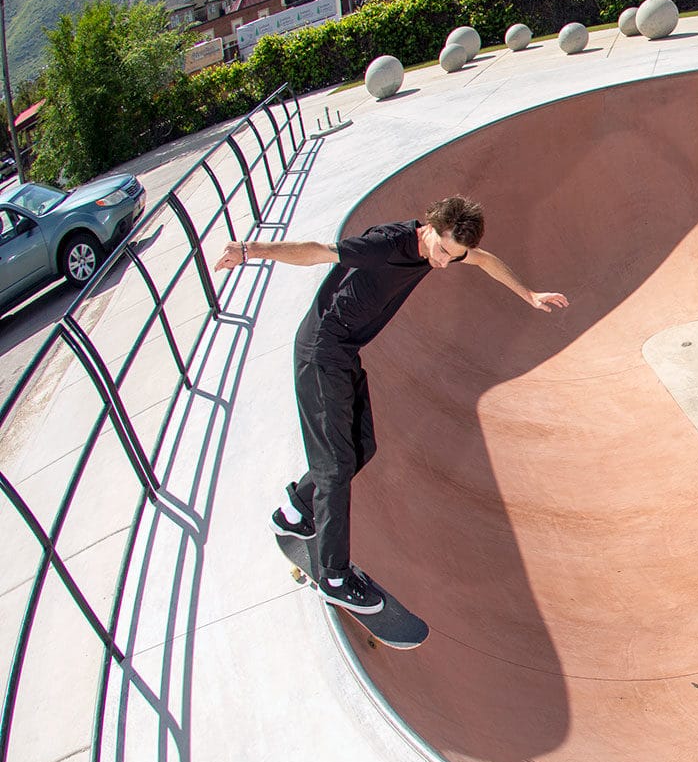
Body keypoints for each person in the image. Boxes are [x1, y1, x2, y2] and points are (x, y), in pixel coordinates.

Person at [213, 196, 569, 613]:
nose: (441, 263)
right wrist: (248, 250)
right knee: (335, 467)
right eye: (440, 250)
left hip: (344, 353)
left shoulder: (449, 248)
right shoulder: (384, 243)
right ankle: (334, 577)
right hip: (320, 352)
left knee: (362, 446)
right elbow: (317, 253)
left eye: (452, 257)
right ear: (429, 228)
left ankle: (296, 510)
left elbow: (485, 260)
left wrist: (528, 294)